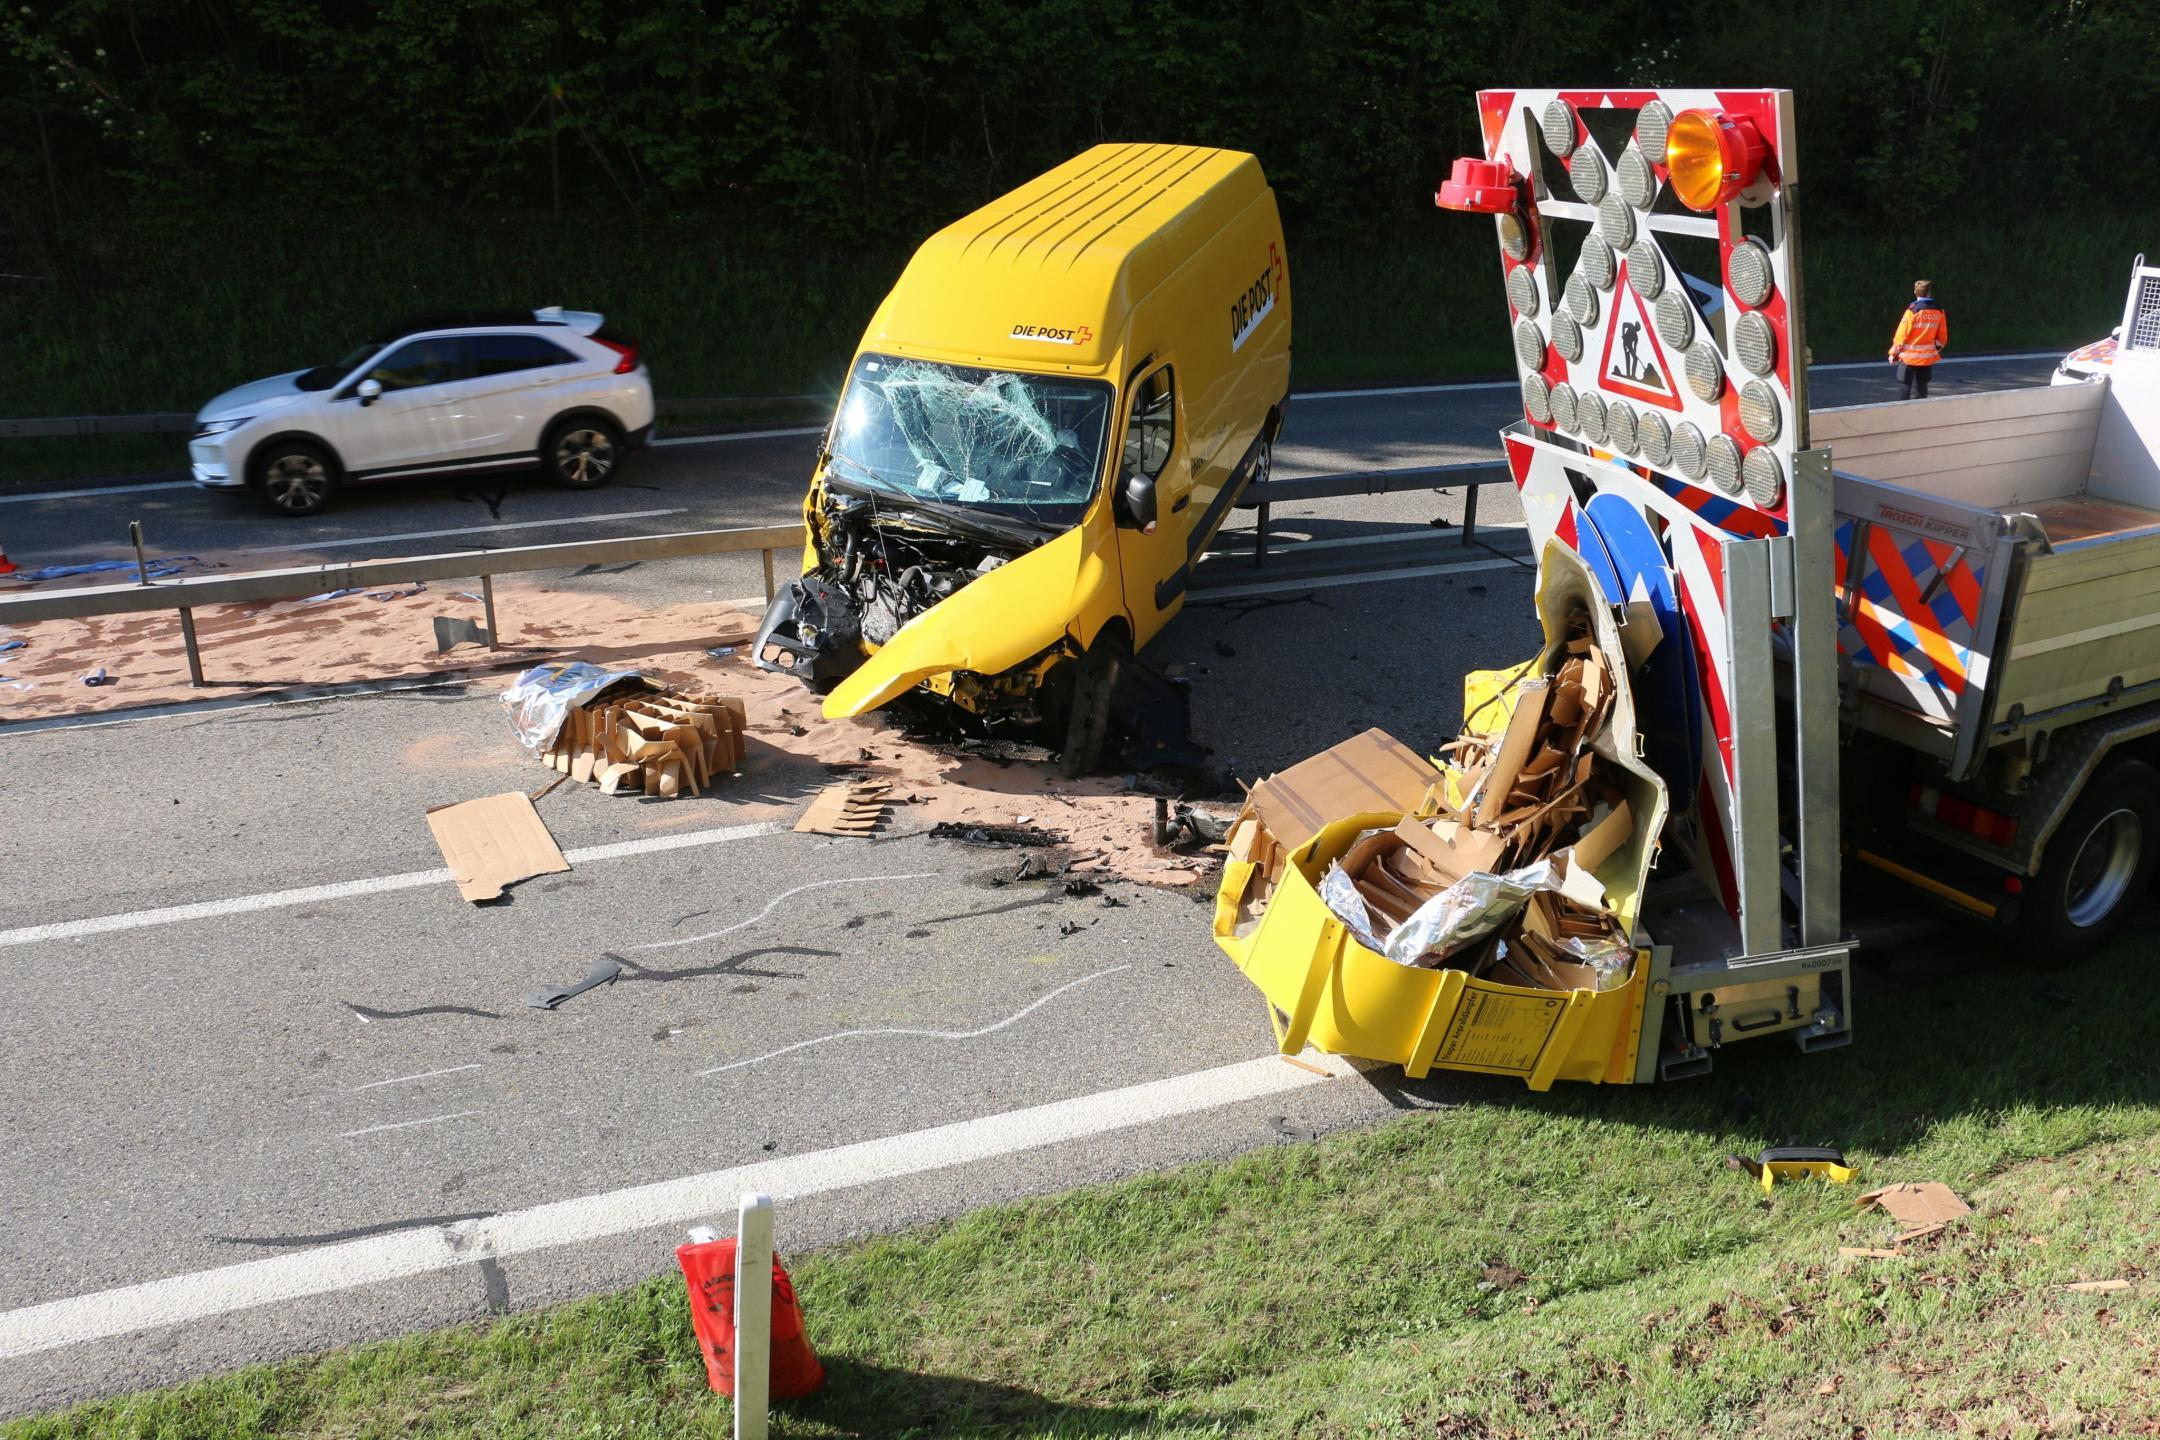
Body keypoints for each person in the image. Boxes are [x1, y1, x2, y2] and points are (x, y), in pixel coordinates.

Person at [1888, 280, 1948, 400]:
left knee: (1905, 386)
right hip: (1926, 358)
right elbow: (1942, 336)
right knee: (1922, 388)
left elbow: (1901, 335)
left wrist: (1893, 353)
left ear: (1915, 292)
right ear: (1929, 292)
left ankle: (1903, 412)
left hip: (1908, 358)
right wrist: (1937, 348)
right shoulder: (1939, 310)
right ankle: (1920, 413)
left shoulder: (1913, 310)